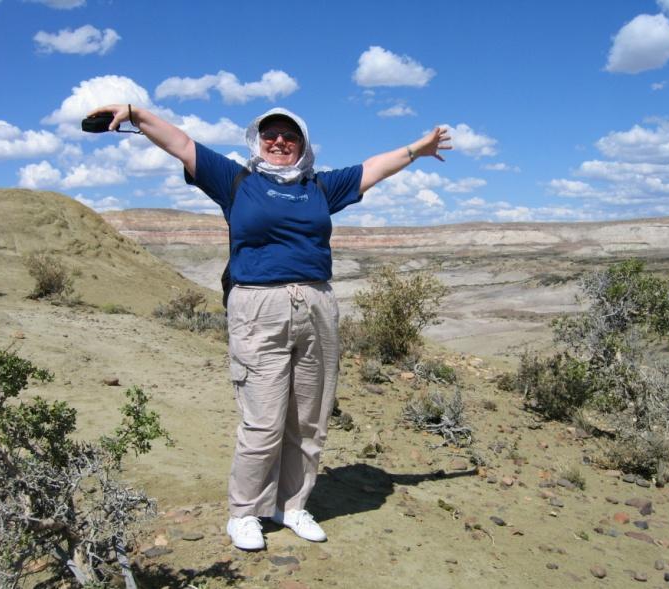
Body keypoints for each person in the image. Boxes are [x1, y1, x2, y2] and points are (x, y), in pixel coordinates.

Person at [87, 103, 451, 550]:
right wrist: (134, 113)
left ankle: (291, 504)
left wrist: (420, 147)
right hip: (258, 308)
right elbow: (182, 144)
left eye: (289, 136)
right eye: (270, 136)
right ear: (257, 142)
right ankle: (245, 512)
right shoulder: (237, 181)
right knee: (263, 420)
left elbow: (374, 167)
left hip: (317, 304)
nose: (279, 143)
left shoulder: (320, 187)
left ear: (303, 144)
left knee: (309, 418)